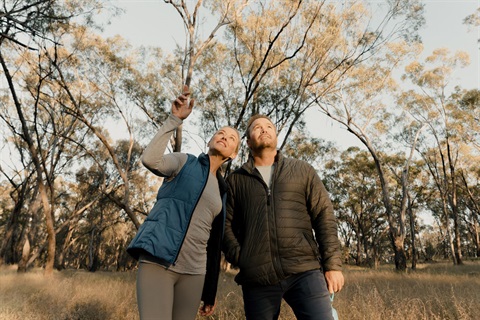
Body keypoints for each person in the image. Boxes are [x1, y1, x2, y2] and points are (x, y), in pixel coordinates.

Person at [127, 85, 240, 320]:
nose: (224, 137)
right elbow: (150, 160)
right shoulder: (184, 162)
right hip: (159, 262)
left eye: (231, 138)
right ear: (210, 139)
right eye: (220, 133)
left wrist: (209, 291)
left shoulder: (222, 189)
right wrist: (174, 120)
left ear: (234, 154)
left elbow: (214, 241)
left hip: (194, 273)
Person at [222, 114, 344, 320]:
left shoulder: (301, 170)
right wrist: (243, 258)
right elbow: (225, 226)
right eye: (257, 127)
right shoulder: (237, 180)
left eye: (269, 126)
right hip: (258, 278)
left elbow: (324, 216)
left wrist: (332, 265)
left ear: (276, 136)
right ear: (248, 141)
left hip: (304, 270)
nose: (264, 129)